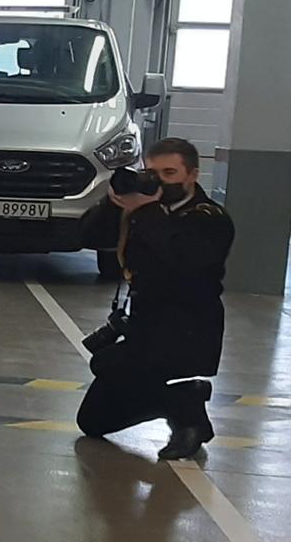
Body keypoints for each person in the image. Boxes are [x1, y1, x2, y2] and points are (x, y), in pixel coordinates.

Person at [76, 138, 234, 460]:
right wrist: (114, 204)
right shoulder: (143, 210)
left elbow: (183, 258)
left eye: (170, 172)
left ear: (192, 175)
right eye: (151, 172)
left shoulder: (210, 218)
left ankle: (185, 410)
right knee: (92, 421)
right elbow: (87, 237)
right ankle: (182, 398)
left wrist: (146, 211)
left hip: (189, 329)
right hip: (145, 325)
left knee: (106, 362)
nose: (159, 180)